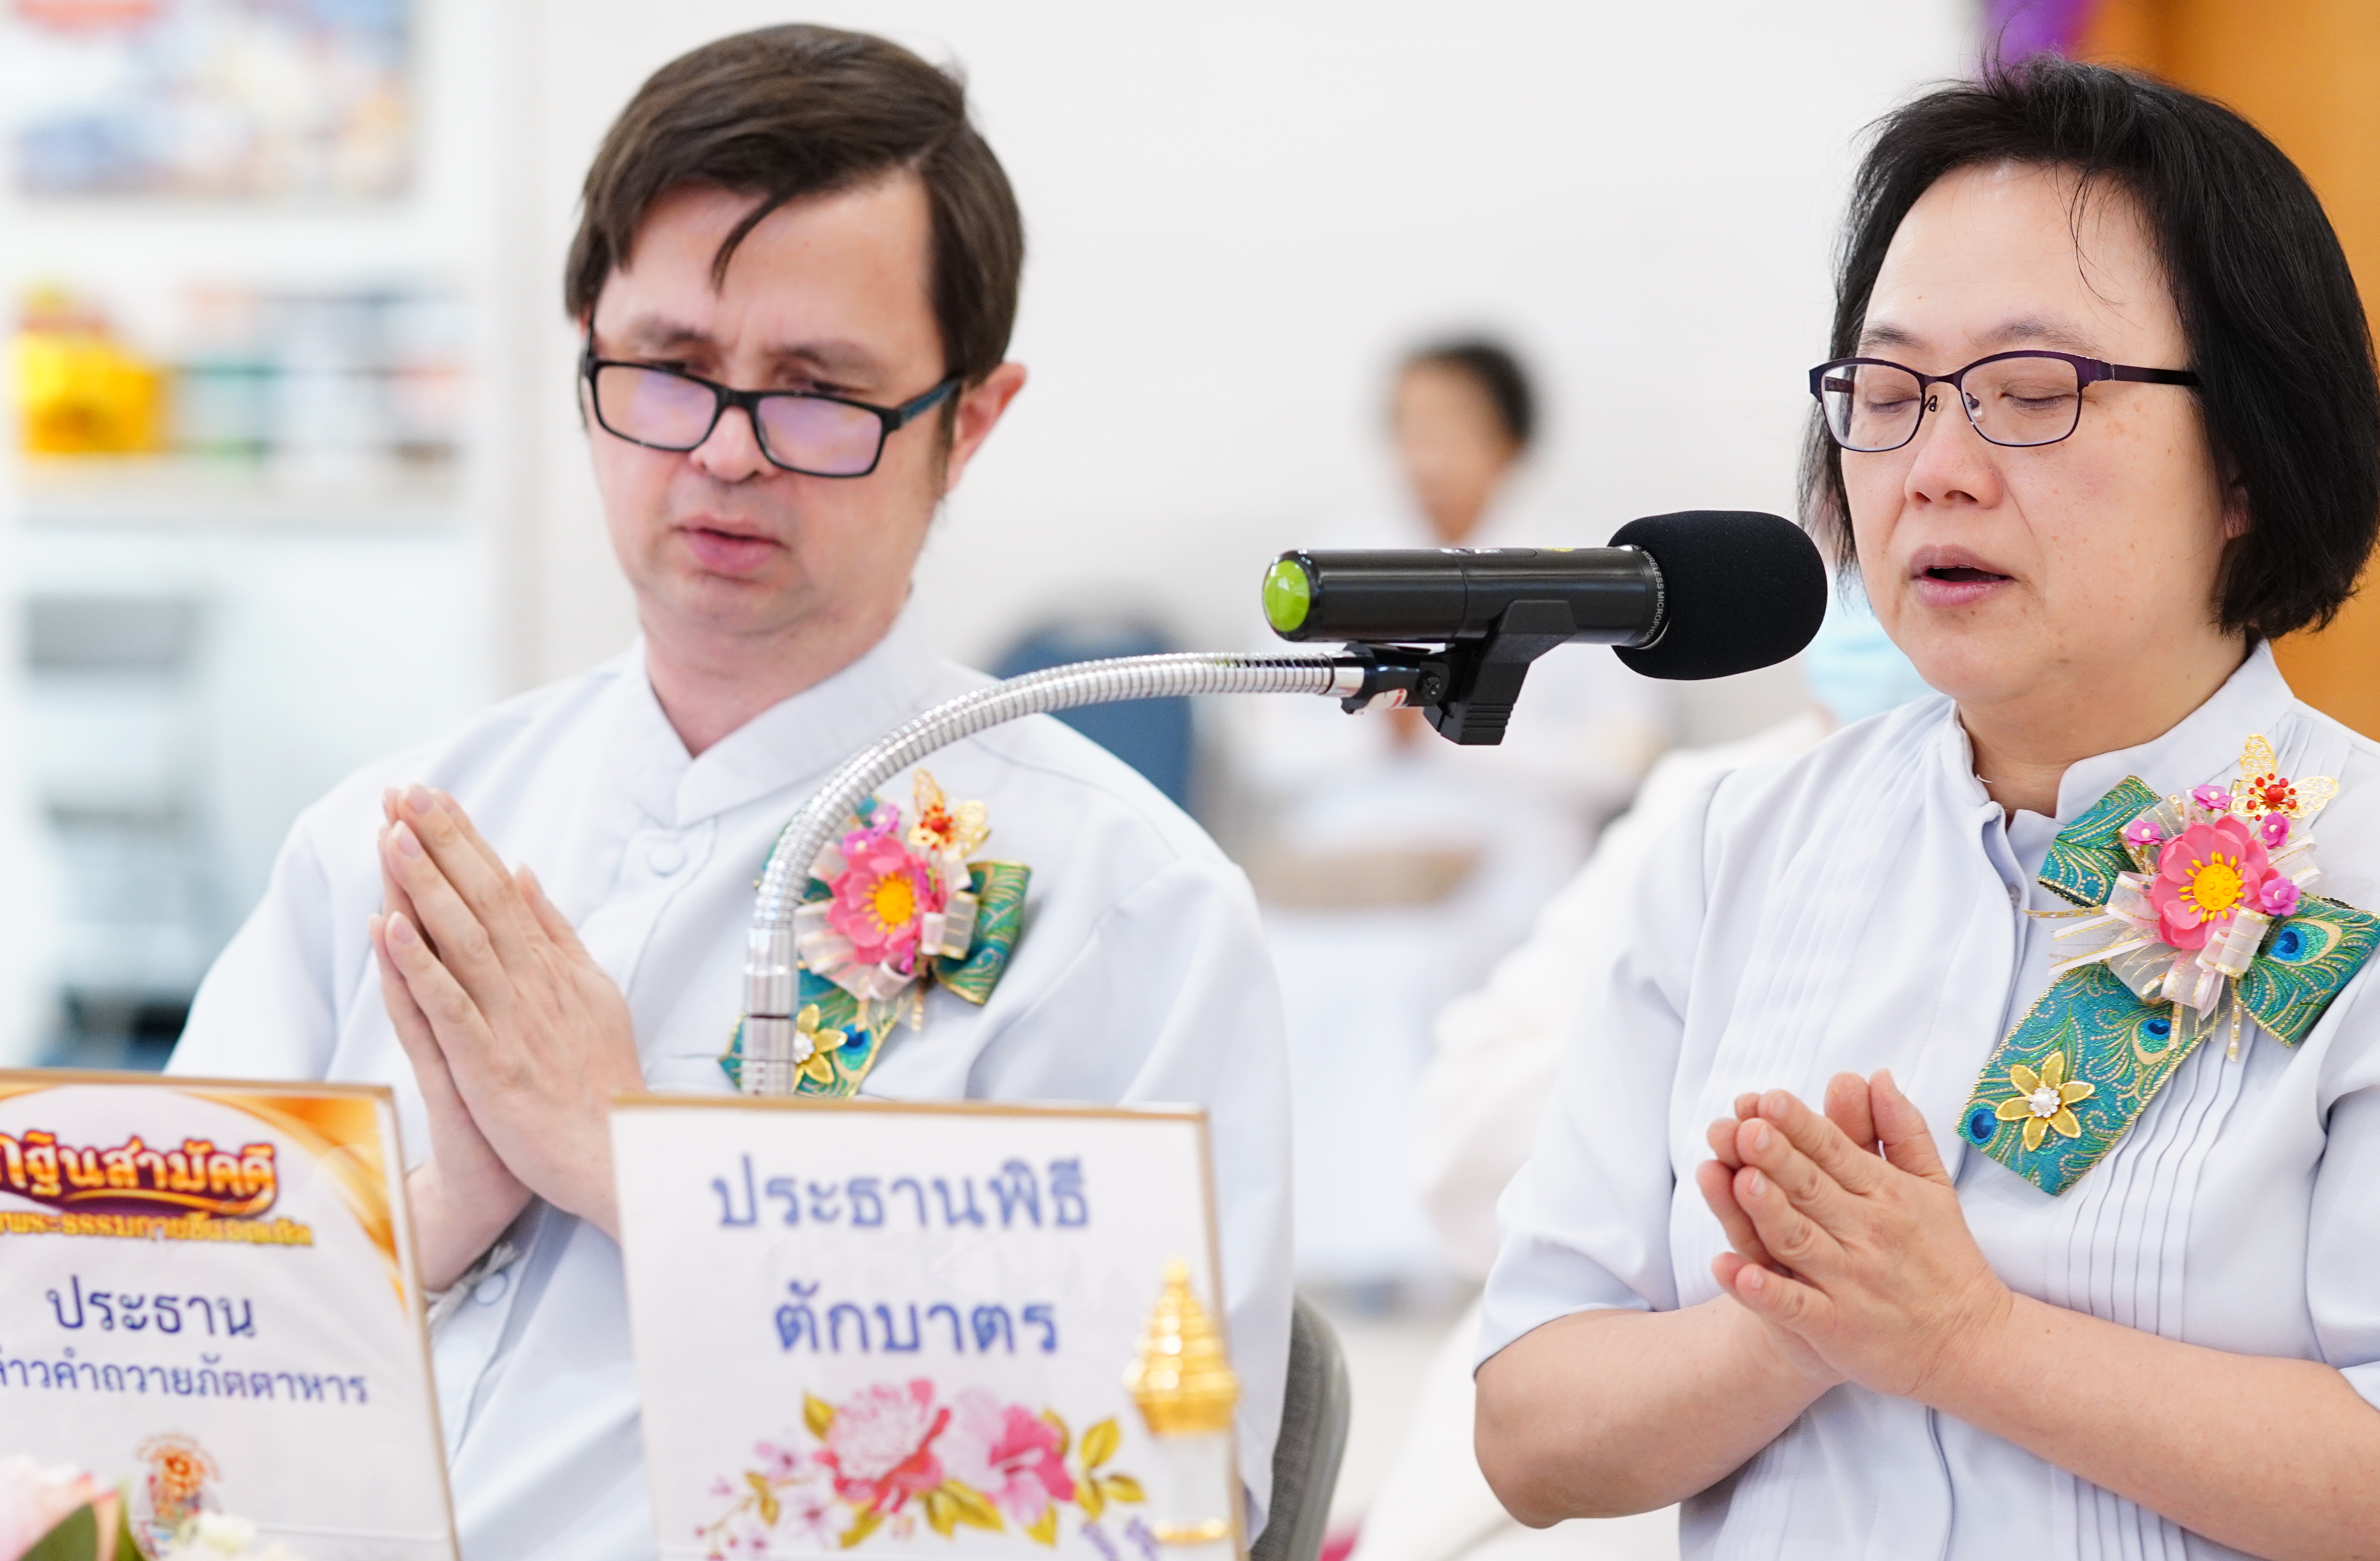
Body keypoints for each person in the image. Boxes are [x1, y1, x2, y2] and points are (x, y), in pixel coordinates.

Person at [1474, 56, 2380, 1561]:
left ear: (2249, 462)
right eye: (1885, 397)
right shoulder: (1735, 845)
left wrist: (1965, 1338)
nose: (1934, 472)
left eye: (2032, 395)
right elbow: (1530, 1432)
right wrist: (1802, 1323)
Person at [166, 27, 1291, 1556]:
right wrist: (436, 1213)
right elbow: (134, 1380)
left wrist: (642, 1157)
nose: (727, 454)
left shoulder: (1125, 907)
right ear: (587, 351)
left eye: (819, 392)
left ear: (969, 421)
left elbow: (1155, 1514)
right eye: (674, 370)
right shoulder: (387, 838)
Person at [1352, 586, 1927, 1561]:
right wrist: (1686, 1093)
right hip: (1621, 1405)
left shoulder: (2131, 836)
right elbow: (1458, 1152)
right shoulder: (1715, 804)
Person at [1231, 340, 1662, 1288]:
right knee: (1287, 964)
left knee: (1428, 970)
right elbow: (1268, 737)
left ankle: (1435, 1244)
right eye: (1409, 427)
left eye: (1450, 427)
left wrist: (1456, 730)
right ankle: (1311, 1245)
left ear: (1507, 439)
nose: (1425, 452)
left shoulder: (1583, 561)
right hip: (1359, 840)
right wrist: (1371, 735)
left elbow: (1620, 752)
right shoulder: (1338, 557)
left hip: (1507, 834)